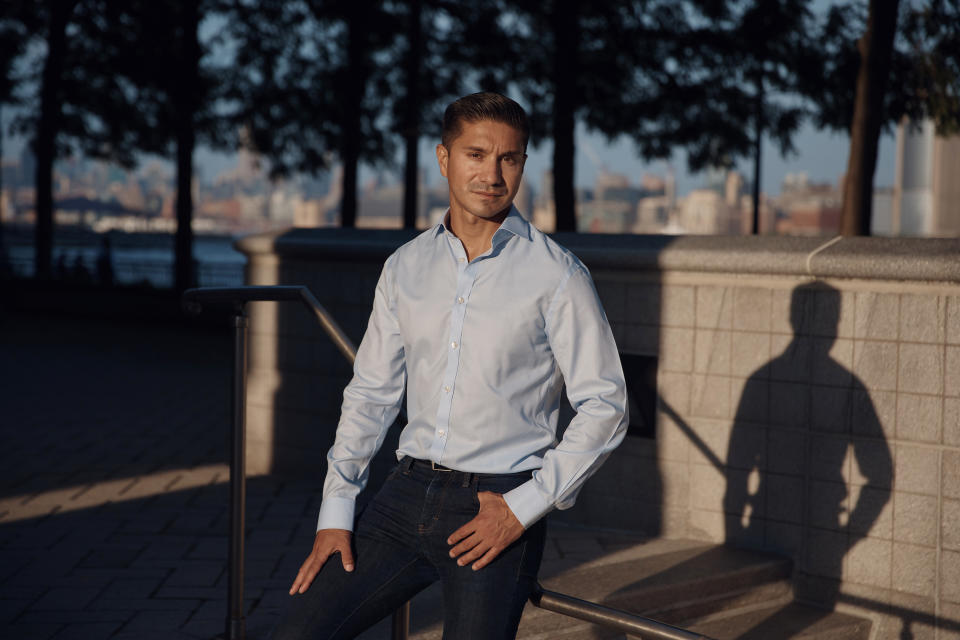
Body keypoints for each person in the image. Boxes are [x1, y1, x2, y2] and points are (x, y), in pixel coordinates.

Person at [271, 92, 628, 640]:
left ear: (523, 165)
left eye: (508, 158)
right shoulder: (405, 266)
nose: (492, 173)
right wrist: (336, 510)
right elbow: (371, 394)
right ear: (444, 158)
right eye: (476, 154)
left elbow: (606, 406)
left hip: (497, 503)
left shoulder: (557, 275)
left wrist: (522, 507)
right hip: (403, 493)